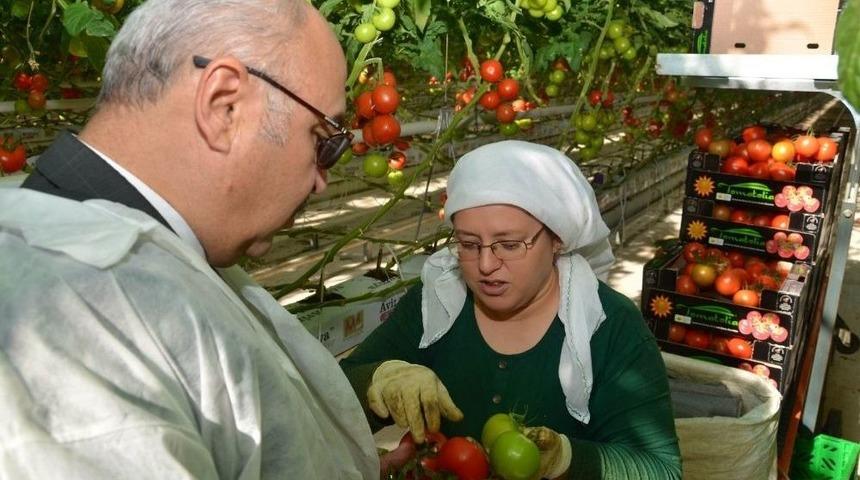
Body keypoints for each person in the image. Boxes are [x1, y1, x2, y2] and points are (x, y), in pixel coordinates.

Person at [0, 0, 385, 478]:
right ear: (223, 106)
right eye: (324, 139)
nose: (322, 180)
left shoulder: (130, 261)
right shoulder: (81, 311)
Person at [340, 140, 682, 479]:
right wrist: (381, 378)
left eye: (509, 244)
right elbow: (334, 396)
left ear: (557, 239)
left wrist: (566, 459)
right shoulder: (436, 304)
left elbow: (660, 469)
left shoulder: (610, 326)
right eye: (468, 244)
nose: (486, 264)